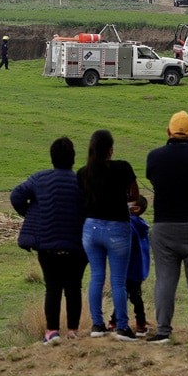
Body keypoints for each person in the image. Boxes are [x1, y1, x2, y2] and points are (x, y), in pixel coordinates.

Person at [145, 111, 188, 345]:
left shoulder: (154, 157)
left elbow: (156, 182)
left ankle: (163, 331)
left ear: (168, 132)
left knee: (165, 279)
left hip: (164, 227)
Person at [10, 137, 87, 345]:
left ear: (52, 158)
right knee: (74, 288)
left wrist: (32, 215)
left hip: (47, 245)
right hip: (77, 246)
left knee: (52, 288)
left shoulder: (39, 179)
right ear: (73, 158)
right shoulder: (81, 180)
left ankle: (51, 332)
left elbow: (16, 196)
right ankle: (72, 330)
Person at [78, 129, 140, 341]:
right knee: (118, 281)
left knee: (96, 276)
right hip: (118, 228)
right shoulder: (123, 167)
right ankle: (122, 327)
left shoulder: (83, 172)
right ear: (111, 150)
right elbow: (135, 195)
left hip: (91, 228)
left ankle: (97, 325)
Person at [107, 195, 151, 336]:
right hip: (139, 267)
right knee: (133, 295)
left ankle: (121, 322)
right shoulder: (141, 224)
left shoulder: (130, 223)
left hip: (127, 267)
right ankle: (140, 324)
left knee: (127, 295)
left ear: (137, 209)